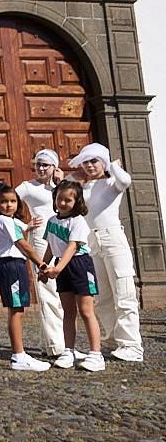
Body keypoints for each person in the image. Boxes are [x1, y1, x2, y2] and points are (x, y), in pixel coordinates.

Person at [69, 143, 143, 362]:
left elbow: (126, 180)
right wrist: (77, 172)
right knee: (102, 296)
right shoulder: (83, 187)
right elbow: (66, 183)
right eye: (86, 162)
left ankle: (132, 345)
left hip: (112, 239)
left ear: (103, 161)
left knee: (124, 292)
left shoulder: (112, 182)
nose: (90, 165)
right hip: (90, 241)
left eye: (95, 161)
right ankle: (113, 340)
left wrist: (111, 164)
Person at [40, 181, 104, 372]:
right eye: (59, 198)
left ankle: (96, 354)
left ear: (77, 202)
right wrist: (43, 267)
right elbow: (51, 246)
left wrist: (57, 268)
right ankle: (69, 350)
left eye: (68, 200)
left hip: (79, 264)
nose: (62, 203)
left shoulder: (78, 221)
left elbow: (72, 246)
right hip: (62, 265)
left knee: (86, 310)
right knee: (68, 311)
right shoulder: (52, 221)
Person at [0, 183, 51, 372]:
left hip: (17, 265)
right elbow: (23, 244)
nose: (9, 205)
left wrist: (29, 226)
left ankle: (20, 353)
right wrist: (41, 263)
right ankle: (18, 355)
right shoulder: (3, 220)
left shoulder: (11, 221)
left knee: (19, 309)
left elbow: (22, 228)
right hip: (11, 265)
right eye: (4, 202)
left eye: (13, 201)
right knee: (16, 310)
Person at [14, 150, 69, 366]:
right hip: (40, 239)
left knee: (61, 290)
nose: (41, 168)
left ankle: (49, 344)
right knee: (48, 289)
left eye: (46, 165)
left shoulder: (60, 188)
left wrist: (61, 182)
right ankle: (58, 346)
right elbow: (5, 202)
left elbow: (74, 204)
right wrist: (24, 226)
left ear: (55, 167)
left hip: (61, 236)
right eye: (38, 164)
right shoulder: (28, 187)